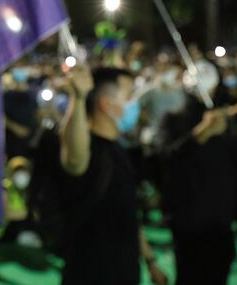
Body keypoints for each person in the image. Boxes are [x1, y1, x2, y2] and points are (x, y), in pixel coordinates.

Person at [57, 66, 166, 285]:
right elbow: (75, 157)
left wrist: (150, 260)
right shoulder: (91, 150)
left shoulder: (120, 150)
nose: (136, 103)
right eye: (129, 95)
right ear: (107, 104)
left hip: (125, 271)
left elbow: (129, 214)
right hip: (91, 273)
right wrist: (78, 98)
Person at [155, 93, 237, 285]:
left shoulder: (226, 125)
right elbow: (164, 161)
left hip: (221, 226)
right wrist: (199, 134)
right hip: (187, 226)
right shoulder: (173, 119)